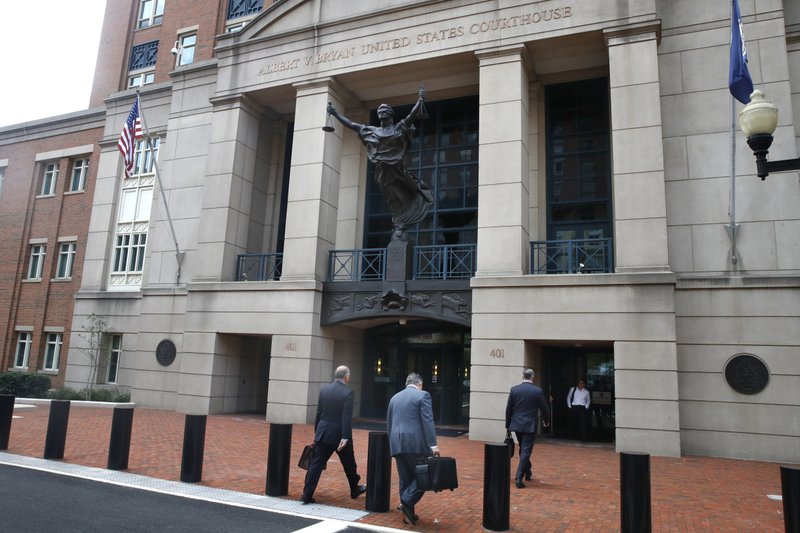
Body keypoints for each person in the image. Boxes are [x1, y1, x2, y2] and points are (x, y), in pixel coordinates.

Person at [327, 86, 434, 242]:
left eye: (385, 110)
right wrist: (334, 113)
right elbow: (351, 124)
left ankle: (419, 198)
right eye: (380, 111)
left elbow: (412, 115)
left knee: (410, 190)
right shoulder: (371, 131)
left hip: (397, 169)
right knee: (393, 197)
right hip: (383, 173)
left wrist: (420, 101)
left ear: (390, 115)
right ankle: (399, 223)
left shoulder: (398, 128)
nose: (382, 112)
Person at [300, 365, 366, 504]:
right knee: (349, 464)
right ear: (346, 377)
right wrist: (346, 437)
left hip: (323, 434)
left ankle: (307, 494)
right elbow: (346, 417)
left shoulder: (324, 390)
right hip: (339, 435)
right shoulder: (348, 393)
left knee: (315, 465)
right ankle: (354, 489)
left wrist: (317, 433)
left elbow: (319, 413)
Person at [386, 372, 439, 526]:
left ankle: (408, 515)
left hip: (397, 443)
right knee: (425, 477)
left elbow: (389, 423)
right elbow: (427, 421)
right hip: (416, 444)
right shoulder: (423, 395)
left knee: (406, 479)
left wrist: (392, 444)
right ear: (419, 384)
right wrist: (433, 444)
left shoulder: (394, 398)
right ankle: (406, 501)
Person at [505, 368, 551, 488]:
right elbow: (545, 409)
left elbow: (508, 409)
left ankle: (528, 471)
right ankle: (519, 477)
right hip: (530, 425)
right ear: (532, 377)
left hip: (517, 425)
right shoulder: (537, 391)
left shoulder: (514, 390)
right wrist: (546, 421)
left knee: (523, 449)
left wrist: (508, 426)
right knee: (525, 450)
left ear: (523, 376)